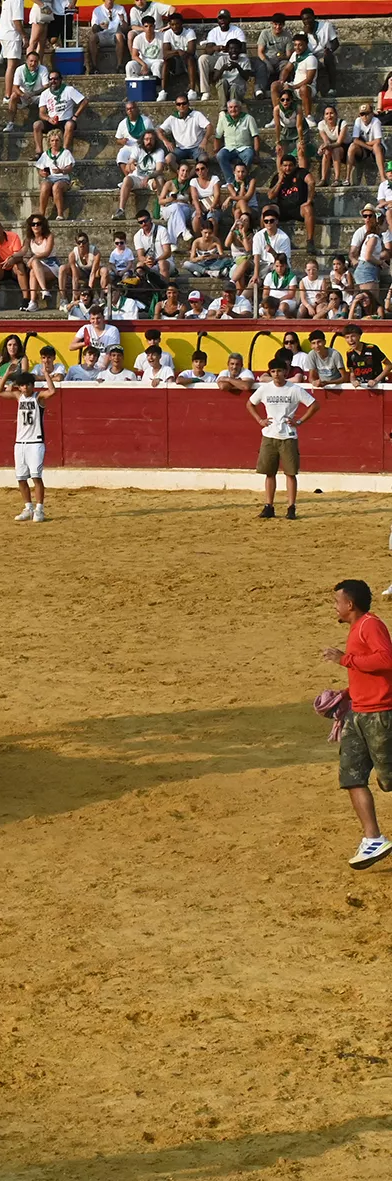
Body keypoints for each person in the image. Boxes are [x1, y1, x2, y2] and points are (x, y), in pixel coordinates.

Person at [322, 579, 392, 870]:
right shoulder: (357, 628)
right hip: (358, 713)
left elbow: (387, 659)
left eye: (337, 602)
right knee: (351, 776)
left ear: (349, 604)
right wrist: (347, 694)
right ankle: (373, 838)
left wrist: (345, 660)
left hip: (380, 715)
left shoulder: (370, 625)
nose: (335, 607)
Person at [248, 351, 319, 520]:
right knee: (269, 473)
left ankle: (291, 507)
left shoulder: (294, 389)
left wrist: (299, 421)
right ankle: (269, 506)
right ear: (270, 372)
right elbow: (250, 404)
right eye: (273, 371)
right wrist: (259, 420)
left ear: (285, 372)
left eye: (279, 371)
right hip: (270, 434)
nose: (277, 374)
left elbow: (314, 405)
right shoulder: (265, 389)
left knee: (290, 473)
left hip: (288, 436)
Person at [0, 366, 57, 522]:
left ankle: (39, 509)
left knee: (36, 477)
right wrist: (7, 374)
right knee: (21, 478)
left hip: (35, 442)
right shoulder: (18, 396)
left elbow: (52, 391)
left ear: (32, 385)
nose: (25, 388)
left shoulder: (38, 398)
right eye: (22, 385)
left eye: (28, 384)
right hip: (20, 443)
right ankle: (28, 507)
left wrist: (45, 374)